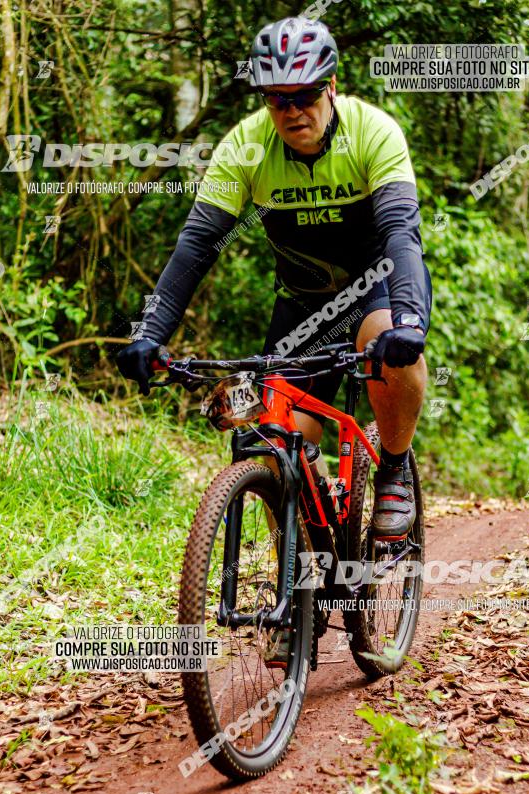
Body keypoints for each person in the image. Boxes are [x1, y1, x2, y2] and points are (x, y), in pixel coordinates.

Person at [117, 16, 432, 540]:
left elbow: (401, 232)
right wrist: (149, 335)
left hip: (377, 288)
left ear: (330, 86)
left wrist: (410, 319)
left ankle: (394, 467)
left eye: (304, 94)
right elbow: (196, 247)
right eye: (276, 98)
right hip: (305, 305)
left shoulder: (374, 132)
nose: (292, 110)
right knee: (275, 446)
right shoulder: (246, 146)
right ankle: (307, 578)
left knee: (387, 338)